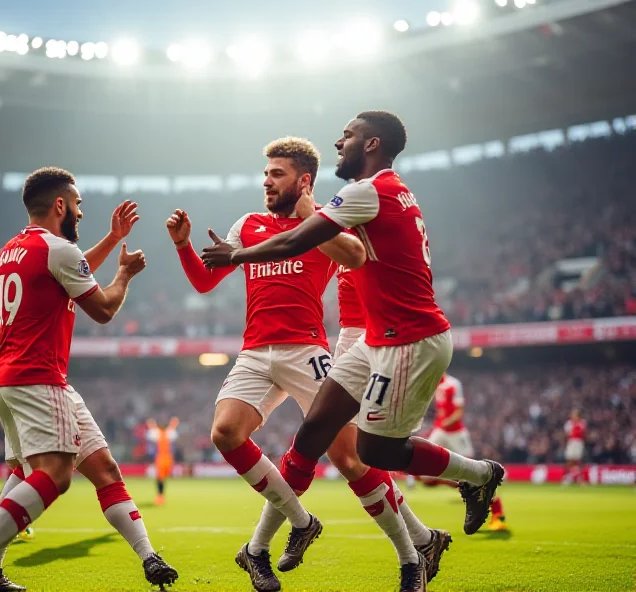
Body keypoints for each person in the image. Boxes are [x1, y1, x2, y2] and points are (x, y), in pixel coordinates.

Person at [202, 112, 506, 574]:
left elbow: (301, 244)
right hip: (370, 338)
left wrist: (238, 254)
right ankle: (267, 545)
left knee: (372, 453)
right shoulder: (388, 192)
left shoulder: (368, 193)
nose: (339, 141)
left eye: (348, 135)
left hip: (407, 339)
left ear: (372, 144)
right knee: (313, 433)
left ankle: (479, 476)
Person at [169, 137, 442, 592]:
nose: (267, 182)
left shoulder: (323, 226)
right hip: (255, 352)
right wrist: (183, 247)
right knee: (225, 432)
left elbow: (356, 257)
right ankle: (301, 523)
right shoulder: (248, 224)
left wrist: (313, 217)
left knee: (350, 458)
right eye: (266, 174)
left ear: (304, 180)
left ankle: (412, 553)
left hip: (307, 352)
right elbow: (203, 282)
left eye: (277, 174)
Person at [0, 167, 177, 592]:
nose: (81, 212)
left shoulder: (9, 251)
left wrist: (11, 345)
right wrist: (124, 275)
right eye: (79, 204)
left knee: (94, 467)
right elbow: (103, 308)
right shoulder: (59, 251)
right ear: (60, 205)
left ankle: (148, 557)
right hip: (39, 379)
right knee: (56, 474)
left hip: (17, 378)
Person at [425, 374, 507, 531]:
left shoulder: (453, 384)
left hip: (456, 434)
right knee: (426, 478)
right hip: (440, 431)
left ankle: (495, 506)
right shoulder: (433, 383)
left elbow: (458, 412)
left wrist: (445, 422)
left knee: (472, 474)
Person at [146, 417, 179, 505]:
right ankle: (160, 496)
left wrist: (174, 423)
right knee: (160, 477)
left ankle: (160, 495)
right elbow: (152, 433)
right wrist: (151, 425)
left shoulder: (168, 432)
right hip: (160, 456)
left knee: (164, 476)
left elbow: (172, 430)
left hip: (168, 456)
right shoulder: (157, 433)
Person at [563, 409, 587, 485]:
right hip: (571, 442)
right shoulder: (568, 423)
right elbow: (567, 435)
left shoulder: (582, 423)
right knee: (570, 460)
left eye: (575, 414)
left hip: (579, 442)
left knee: (578, 461)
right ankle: (567, 477)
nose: (573, 416)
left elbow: (583, 434)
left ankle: (580, 478)